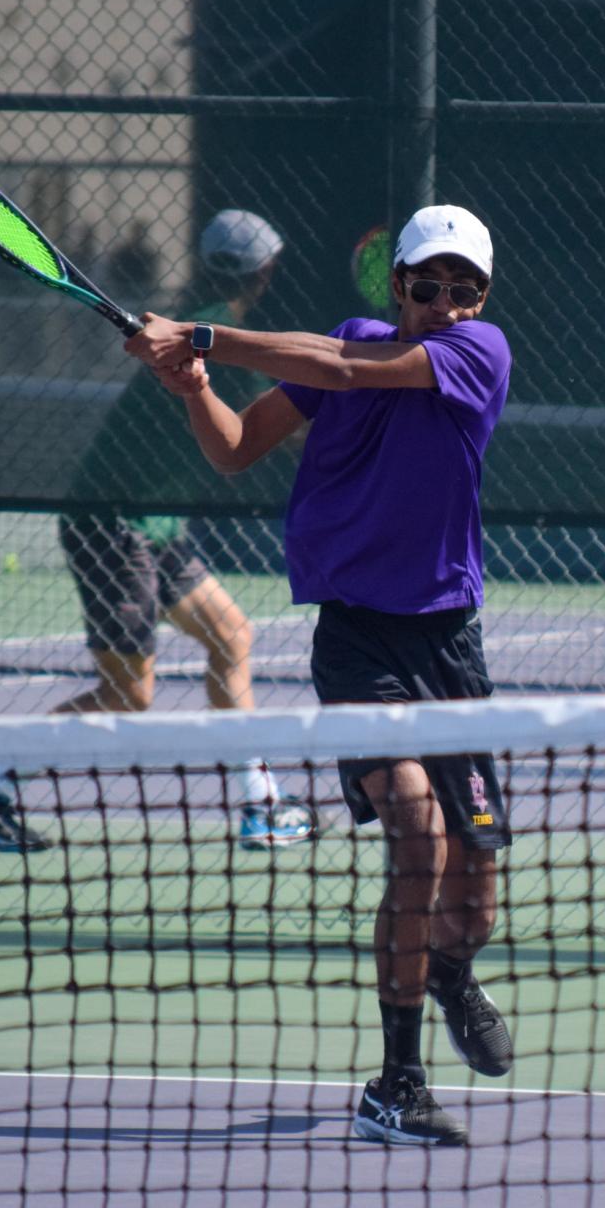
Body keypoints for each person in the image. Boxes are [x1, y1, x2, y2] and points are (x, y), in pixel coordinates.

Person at [123, 205, 515, 1147]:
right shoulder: (344, 344)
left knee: (475, 888)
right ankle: (396, 1083)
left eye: (466, 289)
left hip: (448, 649)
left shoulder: (478, 355)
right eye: (430, 285)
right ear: (399, 288)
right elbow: (230, 448)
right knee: (415, 837)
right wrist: (191, 381)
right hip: (357, 648)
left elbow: (342, 368)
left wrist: (205, 330)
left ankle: (452, 971)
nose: (448, 304)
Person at [0, 209, 317, 854]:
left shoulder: (196, 327)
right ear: (266, 271)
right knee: (127, 694)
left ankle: (260, 806)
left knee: (230, 635)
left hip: (155, 522)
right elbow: (283, 436)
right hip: (111, 524)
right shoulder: (212, 336)